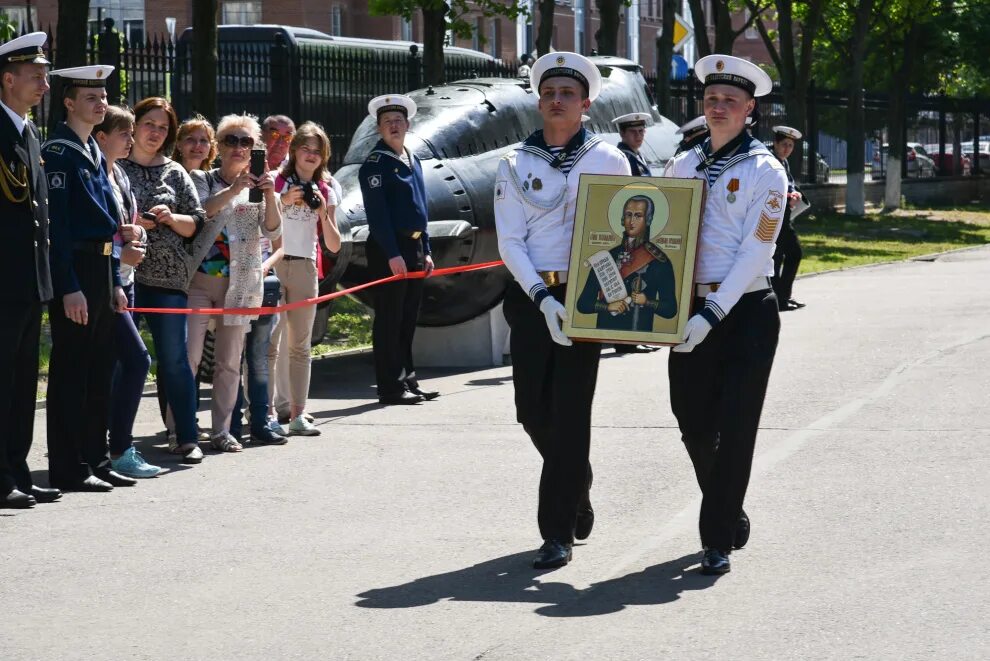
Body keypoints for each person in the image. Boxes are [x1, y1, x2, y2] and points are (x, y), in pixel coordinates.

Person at [494, 52, 631, 569]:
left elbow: (622, 237)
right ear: (538, 99)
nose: (557, 100)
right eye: (549, 92)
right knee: (531, 411)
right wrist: (541, 296)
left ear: (586, 104)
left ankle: (556, 533)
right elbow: (510, 240)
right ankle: (578, 480)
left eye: (567, 94)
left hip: (588, 296)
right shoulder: (515, 161)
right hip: (533, 297)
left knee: (572, 412)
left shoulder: (608, 159)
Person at [662, 55, 787, 575]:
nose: (718, 107)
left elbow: (756, 252)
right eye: (711, 99)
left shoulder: (766, 170)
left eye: (729, 101)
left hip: (746, 310)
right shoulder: (683, 164)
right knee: (691, 420)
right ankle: (729, 506)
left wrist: (712, 312)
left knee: (736, 425)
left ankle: (715, 538)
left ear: (749, 109)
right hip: (688, 309)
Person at [42, 65, 139, 491]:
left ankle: (97, 459)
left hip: (100, 267)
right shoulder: (59, 152)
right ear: (68, 102)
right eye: (90, 98)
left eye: (103, 97)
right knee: (72, 371)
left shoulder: (94, 151)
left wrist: (115, 281)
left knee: (101, 368)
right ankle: (68, 465)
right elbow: (57, 230)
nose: (101, 104)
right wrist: (68, 287)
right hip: (77, 269)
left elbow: (107, 225)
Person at [176, 114, 283, 452]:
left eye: (246, 142)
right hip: (199, 281)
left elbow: (274, 231)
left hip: (241, 284)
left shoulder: (262, 186)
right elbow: (200, 213)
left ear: (255, 149)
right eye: (230, 140)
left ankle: (221, 431)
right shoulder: (201, 179)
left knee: (229, 361)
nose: (238, 147)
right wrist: (234, 189)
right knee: (189, 358)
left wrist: (268, 196)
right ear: (218, 147)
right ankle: (180, 429)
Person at [120, 97, 211, 464]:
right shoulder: (115, 165)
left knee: (174, 360)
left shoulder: (175, 171)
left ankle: (186, 437)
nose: (155, 132)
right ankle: (116, 440)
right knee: (122, 360)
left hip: (169, 278)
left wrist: (172, 218)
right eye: (149, 124)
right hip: (124, 276)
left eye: (163, 127)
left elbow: (196, 224)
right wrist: (135, 223)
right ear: (134, 125)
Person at [0, 32, 61, 508]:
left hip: (28, 283)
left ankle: (16, 471)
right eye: (35, 75)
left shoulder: (27, 132)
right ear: (7, 79)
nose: (44, 83)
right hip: (3, 283)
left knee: (22, 385)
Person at [358, 96, 439, 406]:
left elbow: (421, 207)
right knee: (390, 319)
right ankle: (390, 387)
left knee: (407, 319)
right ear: (379, 129)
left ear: (408, 125)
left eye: (398, 121)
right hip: (388, 248)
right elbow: (378, 217)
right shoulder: (375, 164)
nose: (394, 126)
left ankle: (408, 380)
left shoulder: (412, 158)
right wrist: (393, 253)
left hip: (415, 246)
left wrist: (426, 248)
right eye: (387, 122)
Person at [95, 105, 161, 478]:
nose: (131, 140)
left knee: (119, 364)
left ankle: (108, 449)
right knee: (138, 360)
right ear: (102, 137)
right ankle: (119, 446)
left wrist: (137, 234)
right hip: (110, 282)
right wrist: (117, 276)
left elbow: (126, 224)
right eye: (125, 133)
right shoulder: (94, 172)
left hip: (126, 279)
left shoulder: (119, 173)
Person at [268, 121, 341, 434]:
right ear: (294, 150)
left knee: (300, 345)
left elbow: (335, 244)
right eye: (305, 148)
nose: (311, 155)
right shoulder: (273, 181)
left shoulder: (327, 187)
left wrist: (323, 212)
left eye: (317, 151)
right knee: (269, 344)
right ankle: (266, 413)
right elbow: (257, 223)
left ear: (323, 155)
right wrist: (284, 200)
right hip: (273, 262)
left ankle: (298, 414)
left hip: (305, 267)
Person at [576, 194, 677, 331]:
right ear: (623, 219)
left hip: (638, 333)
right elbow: (583, 304)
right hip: (605, 332)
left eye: (638, 216)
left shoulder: (658, 261)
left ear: (648, 219)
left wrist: (647, 302)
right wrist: (607, 306)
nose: (632, 221)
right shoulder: (607, 257)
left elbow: (670, 309)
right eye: (628, 215)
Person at [610, 111, 662, 354]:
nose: (639, 135)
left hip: (640, 231)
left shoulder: (636, 156)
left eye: (642, 131)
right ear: (622, 133)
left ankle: (633, 335)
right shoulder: (624, 158)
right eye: (633, 131)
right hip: (630, 231)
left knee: (639, 281)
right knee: (629, 279)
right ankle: (625, 338)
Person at [770, 125, 807, 311]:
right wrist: (786, 197)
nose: (787, 149)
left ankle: (782, 297)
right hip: (772, 216)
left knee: (793, 253)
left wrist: (793, 194)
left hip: (784, 216)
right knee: (776, 258)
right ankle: (777, 300)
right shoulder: (769, 161)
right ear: (775, 143)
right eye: (784, 144)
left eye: (791, 145)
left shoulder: (783, 162)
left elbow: (788, 183)